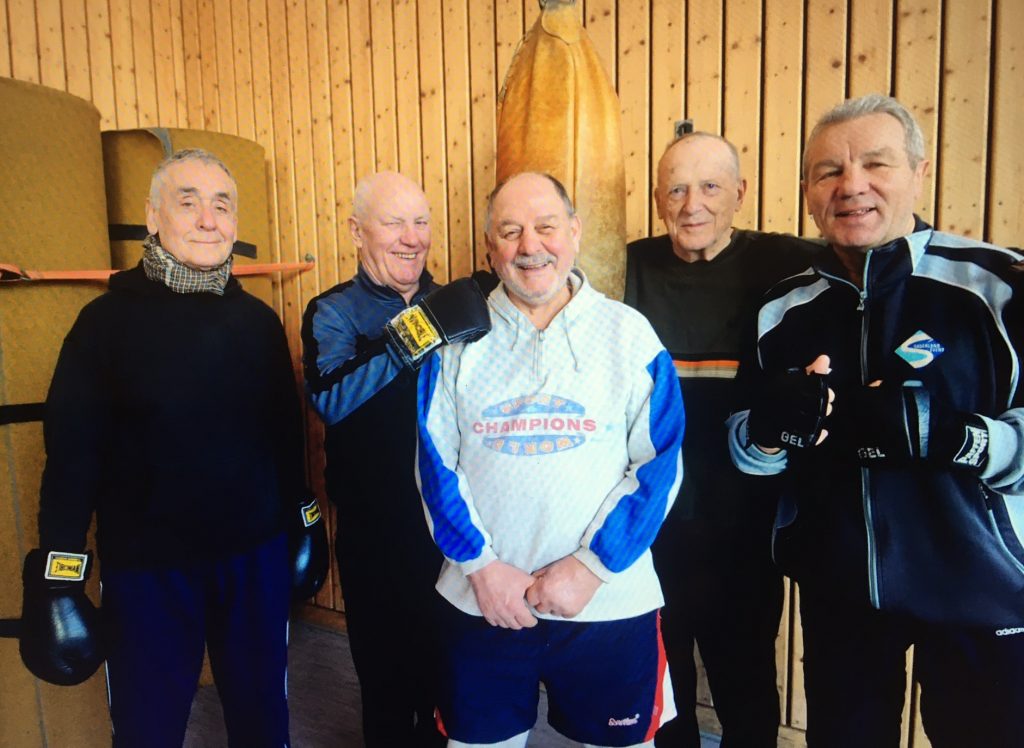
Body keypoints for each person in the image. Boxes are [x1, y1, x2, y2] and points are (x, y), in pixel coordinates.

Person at [727, 93, 1024, 748]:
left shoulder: (1001, 286)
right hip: (841, 598)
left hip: (984, 592)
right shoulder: (783, 307)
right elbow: (748, 452)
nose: (851, 185)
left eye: (875, 164)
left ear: (919, 172)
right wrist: (766, 430)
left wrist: (955, 435)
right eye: (828, 171)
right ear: (807, 190)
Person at [19, 148, 328, 747]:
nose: (209, 220)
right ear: (153, 216)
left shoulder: (258, 323)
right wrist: (57, 575)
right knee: (147, 728)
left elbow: (285, 436)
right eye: (189, 203)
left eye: (223, 206)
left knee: (264, 719)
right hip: (150, 571)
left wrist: (304, 518)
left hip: (255, 559)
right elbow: (72, 456)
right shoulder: (103, 324)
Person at [417, 171, 686, 748]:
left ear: (575, 231)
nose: (529, 246)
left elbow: (660, 464)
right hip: (480, 600)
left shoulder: (628, 334)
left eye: (545, 227)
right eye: (510, 231)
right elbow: (435, 465)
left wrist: (593, 567)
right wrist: (482, 568)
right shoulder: (456, 341)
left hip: (609, 603)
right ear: (491, 246)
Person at [624, 132, 819, 748]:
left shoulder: (787, 261)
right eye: (676, 189)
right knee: (665, 689)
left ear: (739, 192)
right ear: (658, 199)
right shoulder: (621, 264)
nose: (692, 205)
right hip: (650, 525)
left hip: (746, 529)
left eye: (710, 187)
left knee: (748, 689)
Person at [301, 171, 489, 747]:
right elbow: (331, 398)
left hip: (453, 526)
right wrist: (423, 330)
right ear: (358, 232)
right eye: (393, 222)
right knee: (385, 682)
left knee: (447, 676)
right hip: (375, 530)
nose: (412, 237)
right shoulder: (332, 311)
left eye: (421, 221)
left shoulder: (461, 299)